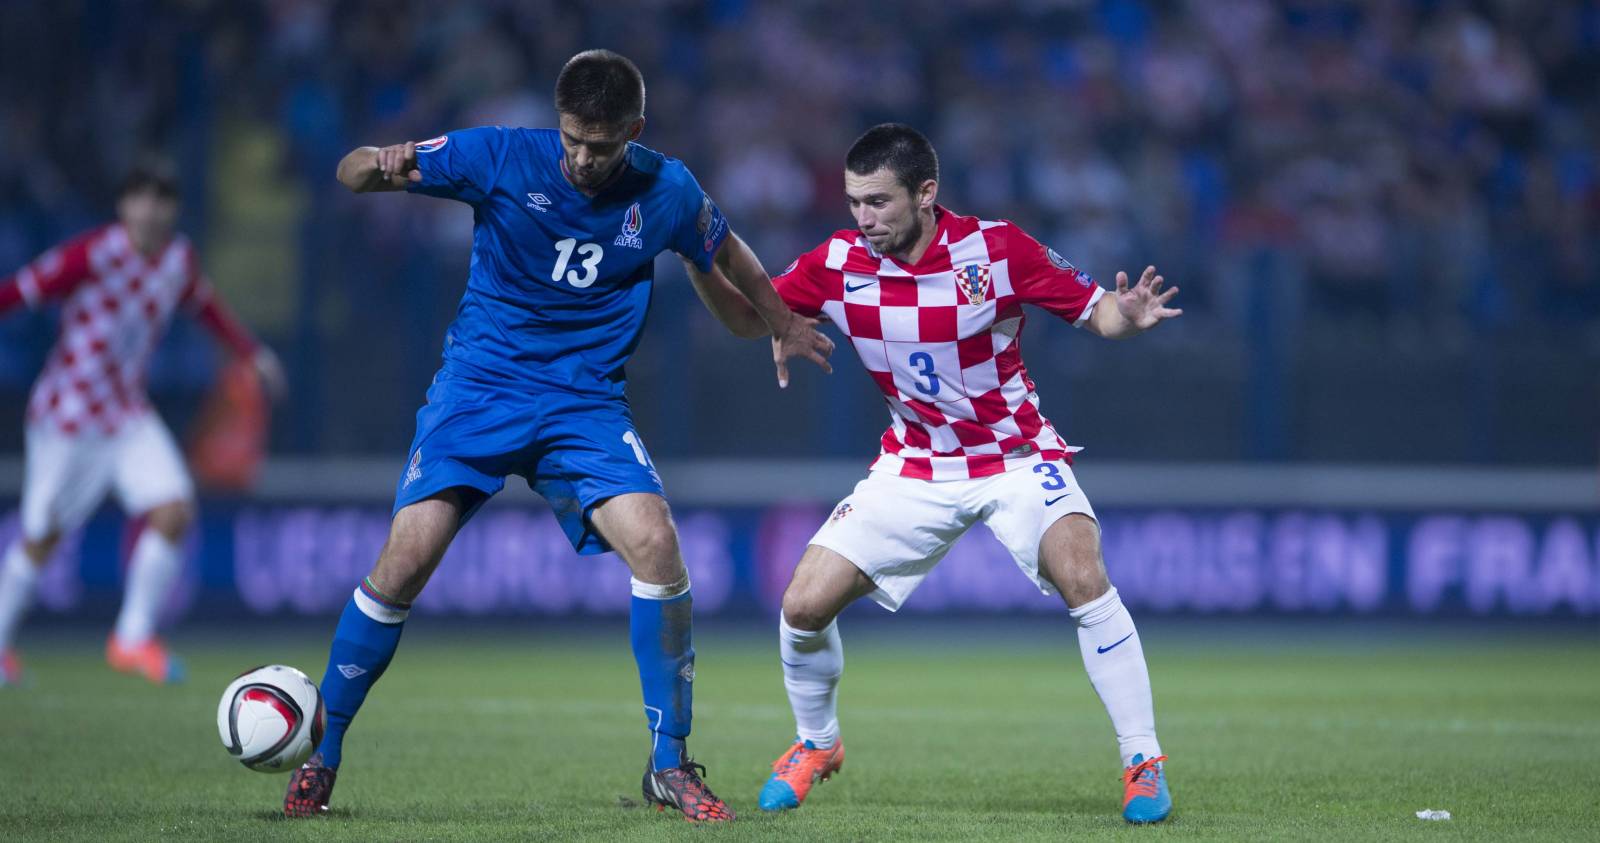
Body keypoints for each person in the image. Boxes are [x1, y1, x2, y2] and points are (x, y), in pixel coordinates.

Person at [286, 49, 832, 822]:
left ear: (632, 131)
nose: (582, 158)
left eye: (602, 145)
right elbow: (350, 174)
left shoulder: (666, 187)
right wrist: (381, 161)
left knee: (658, 544)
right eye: (573, 138)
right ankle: (324, 751)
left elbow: (727, 249)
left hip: (582, 404)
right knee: (403, 561)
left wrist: (779, 320)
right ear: (558, 122)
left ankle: (670, 763)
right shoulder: (501, 154)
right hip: (479, 390)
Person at [687, 124, 1181, 823]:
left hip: (1014, 456)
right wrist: (697, 264)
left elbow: (1098, 311)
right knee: (801, 604)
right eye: (855, 201)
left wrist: (1125, 317)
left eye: (880, 202)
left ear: (926, 193)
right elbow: (746, 320)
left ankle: (1143, 760)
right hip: (914, 466)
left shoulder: (998, 249)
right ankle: (817, 742)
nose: (863, 217)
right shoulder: (836, 261)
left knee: (1082, 571)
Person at [0, 159, 284, 686]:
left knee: (174, 508)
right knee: (42, 533)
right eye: (142, 199)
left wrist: (252, 353)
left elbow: (208, 310)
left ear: (174, 209)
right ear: (123, 206)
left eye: (163, 200)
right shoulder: (92, 255)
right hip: (69, 415)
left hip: (127, 414)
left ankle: (131, 639)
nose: (152, 211)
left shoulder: (177, 260)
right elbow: (20, 292)